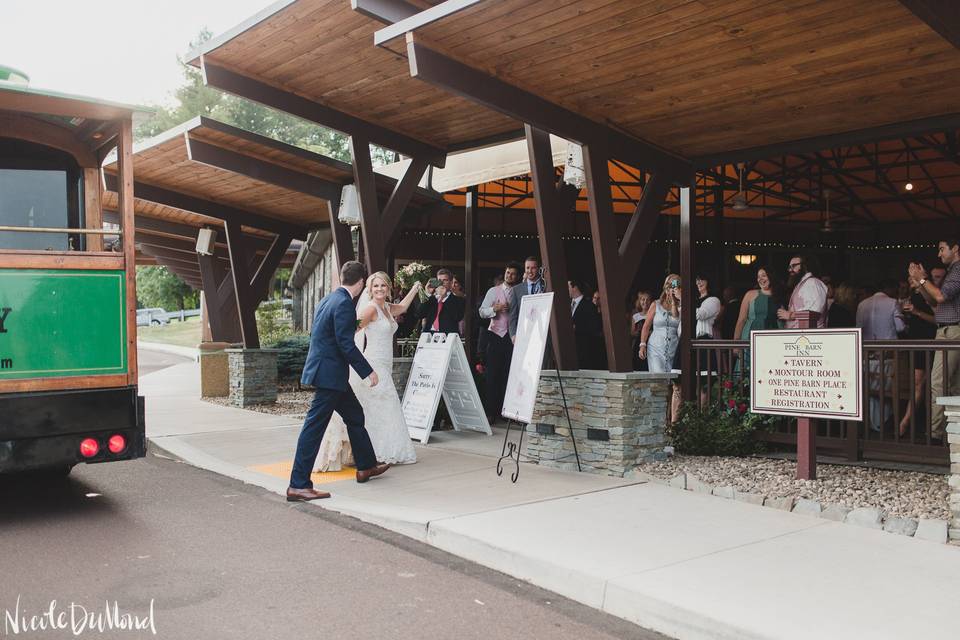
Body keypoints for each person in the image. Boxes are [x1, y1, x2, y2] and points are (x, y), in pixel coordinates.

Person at [287, 261, 389, 501]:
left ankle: (366, 465)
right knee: (314, 428)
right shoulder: (343, 303)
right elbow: (345, 344)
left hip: (330, 373)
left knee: (355, 415)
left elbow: (328, 333)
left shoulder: (329, 299)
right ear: (362, 282)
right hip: (330, 376)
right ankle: (298, 485)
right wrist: (368, 371)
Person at [315, 272, 422, 471]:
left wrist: (415, 288)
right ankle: (375, 454)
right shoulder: (370, 309)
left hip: (385, 365)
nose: (379, 289)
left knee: (378, 410)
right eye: (375, 286)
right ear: (369, 289)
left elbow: (404, 306)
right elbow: (351, 331)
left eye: (383, 286)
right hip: (372, 363)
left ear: (388, 288)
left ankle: (374, 452)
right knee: (379, 408)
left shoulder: (388, 308)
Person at [909, 235, 960, 440]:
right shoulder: (951, 272)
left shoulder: (958, 270)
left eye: (941, 249)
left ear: (955, 248)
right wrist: (920, 283)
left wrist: (923, 279)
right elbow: (934, 302)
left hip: (952, 332)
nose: (939, 254)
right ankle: (952, 432)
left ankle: (935, 435)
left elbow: (939, 297)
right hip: (948, 330)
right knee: (954, 384)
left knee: (938, 382)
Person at [857, 279, 907, 433]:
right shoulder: (893, 302)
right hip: (887, 355)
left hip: (866, 354)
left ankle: (870, 424)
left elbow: (857, 328)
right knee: (887, 391)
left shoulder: (862, 304)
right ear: (890, 289)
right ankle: (884, 424)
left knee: (868, 390)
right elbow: (900, 327)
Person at [478, 262, 520, 421]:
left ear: (517, 276)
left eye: (513, 274)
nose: (510, 276)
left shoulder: (518, 292)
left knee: (508, 375)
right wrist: (494, 309)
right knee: (492, 375)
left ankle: (506, 412)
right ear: (505, 273)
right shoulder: (493, 291)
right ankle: (490, 411)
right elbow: (481, 312)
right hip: (495, 335)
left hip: (512, 337)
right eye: (508, 273)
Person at [900, 265, 938, 435]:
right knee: (920, 384)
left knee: (921, 384)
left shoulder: (928, 296)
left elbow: (937, 319)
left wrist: (916, 312)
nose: (910, 281)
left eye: (913, 277)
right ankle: (915, 423)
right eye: (909, 278)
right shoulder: (914, 296)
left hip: (926, 342)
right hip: (915, 342)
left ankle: (905, 423)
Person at [638, 274, 681, 374]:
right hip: (655, 348)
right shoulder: (656, 304)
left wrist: (678, 300)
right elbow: (646, 326)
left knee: (672, 379)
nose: (671, 289)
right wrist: (642, 345)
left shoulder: (682, 305)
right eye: (668, 286)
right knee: (658, 377)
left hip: (674, 347)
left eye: (674, 286)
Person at [778, 254, 828, 328]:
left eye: (794, 266)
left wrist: (790, 315)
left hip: (810, 336)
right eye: (789, 267)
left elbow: (814, 312)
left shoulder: (813, 283)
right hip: (800, 335)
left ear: (805, 266)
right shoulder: (803, 284)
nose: (790, 270)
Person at [569, 278, 604, 369]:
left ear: (575, 288)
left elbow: (594, 326)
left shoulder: (589, 305)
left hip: (584, 350)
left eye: (568, 286)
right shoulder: (568, 304)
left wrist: (576, 327)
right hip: (570, 351)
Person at [509, 256, 546, 341]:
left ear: (538, 269)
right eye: (527, 268)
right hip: (524, 334)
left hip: (542, 334)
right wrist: (513, 334)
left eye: (533, 268)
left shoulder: (545, 286)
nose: (529, 271)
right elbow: (512, 316)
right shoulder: (516, 290)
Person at [419, 268, 465, 334]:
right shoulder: (431, 299)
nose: (441, 283)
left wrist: (445, 297)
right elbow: (420, 314)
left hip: (448, 338)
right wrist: (427, 294)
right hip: (429, 337)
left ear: (451, 282)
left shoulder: (459, 300)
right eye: (439, 280)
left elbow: (457, 317)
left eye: (445, 280)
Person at [630, 291, 652, 371]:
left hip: (651, 342)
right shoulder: (636, 316)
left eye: (647, 300)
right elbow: (632, 332)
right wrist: (639, 332)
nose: (645, 302)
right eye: (643, 299)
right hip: (638, 343)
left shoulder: (653, 314)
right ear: (639, 301)